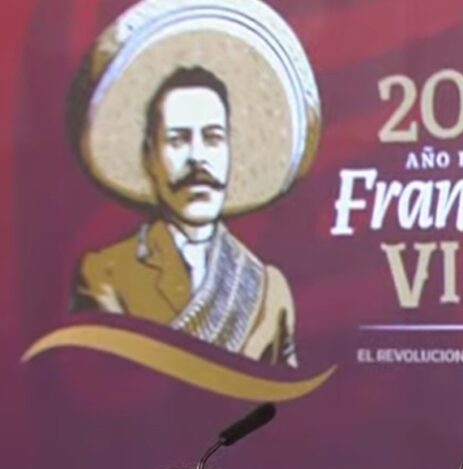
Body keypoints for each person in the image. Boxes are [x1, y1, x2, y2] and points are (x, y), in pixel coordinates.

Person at [71, 67, 297, 366]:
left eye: (213, 138)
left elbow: (286, 393)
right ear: (150, 157)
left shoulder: (268, 289)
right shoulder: (106, 275)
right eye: (178, 140)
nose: (197, 158)